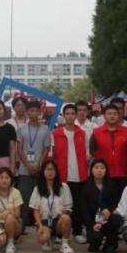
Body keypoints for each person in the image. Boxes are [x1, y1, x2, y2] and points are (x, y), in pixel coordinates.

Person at [51, 103, 89, 243]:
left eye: (73, 113)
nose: (70, 116)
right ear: (63, 116)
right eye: (67, 114)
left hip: (79, 175)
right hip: (62, 175)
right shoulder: (55, 133)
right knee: (61, 206)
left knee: (78, 206)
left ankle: (77, 232)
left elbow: (88, 155)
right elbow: (53, 155)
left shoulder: (83, 133)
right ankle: (59, 233)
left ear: (76, 115)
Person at [16, 99, 51, 226]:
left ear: (40, 112)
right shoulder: (21, 129)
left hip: (40, 170)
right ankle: (21, 227)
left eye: (36, 111)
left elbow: (46, 149)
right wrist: (28, 165)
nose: (34, 113)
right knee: (24, 199)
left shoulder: (45, 129)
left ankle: (42, 226)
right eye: (31, 111)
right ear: (27, 112)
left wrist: (39, 165)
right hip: (24, 170)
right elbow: (19, 149)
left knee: (41, 199)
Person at [89, 103, 127, 197]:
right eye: (109, 114)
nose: (112, 116)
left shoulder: (126, 131)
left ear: (119, 115)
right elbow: (92, 151)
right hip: (103, 175)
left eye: (115, 114)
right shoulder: (96, 132)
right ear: (104, 116)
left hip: (122, 174)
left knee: (121, 201)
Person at [30, 159, 74, 253]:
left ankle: (64, 244)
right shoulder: (38, 188)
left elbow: (69, 209)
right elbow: (35, 210)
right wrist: (40, 226)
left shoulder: (64, 187)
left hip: (58, 221)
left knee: (66, 218)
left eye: (52, 169)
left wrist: (65, 212)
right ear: (43, 171)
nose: (50, 172)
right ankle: (50, 238)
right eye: (47, 169)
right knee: (43, 240)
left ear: (56, 171)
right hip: (45, 222)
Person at [80, 158, 123, 253]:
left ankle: (110, 245)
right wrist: (92, 224)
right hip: (92, 221)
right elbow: (84, 209)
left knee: (117, 218)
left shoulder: (111, 186)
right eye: (96, 168)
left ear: (106, 170)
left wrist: (109, 211)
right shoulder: (85, 187)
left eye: (102, 168)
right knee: (95, 239)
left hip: (106, 219)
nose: (99, 170)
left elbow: (116, 203)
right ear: (91, 170)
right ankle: (94, 244)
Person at [0, 166, 23, 253]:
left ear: (11, 180)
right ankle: (4, 242)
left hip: (15, 223)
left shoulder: (16, 192)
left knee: (10, 217)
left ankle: (11, 243)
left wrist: (10, 211)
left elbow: (18, 214)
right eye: (1, 177)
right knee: (0, 240)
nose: (4, 180)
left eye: (7, 178)